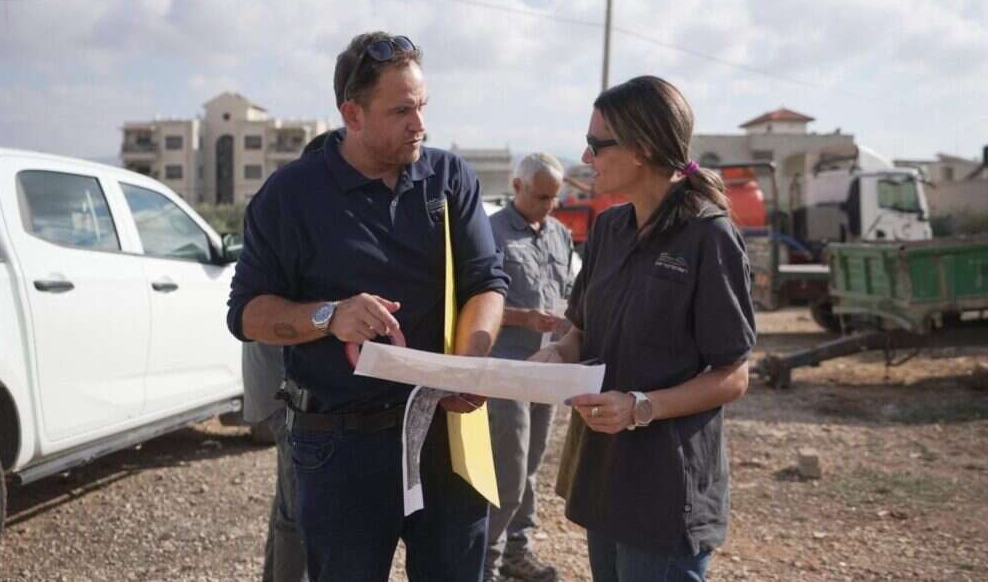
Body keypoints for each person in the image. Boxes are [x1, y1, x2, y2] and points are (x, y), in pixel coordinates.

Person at [227, 31, 508, 582]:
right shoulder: (291, 195)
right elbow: (247, 314)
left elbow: (485, 283)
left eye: (422, 106)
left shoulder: (450, 179)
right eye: (401, 110)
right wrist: (328, 317)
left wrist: (468, 362)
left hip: (446, 436)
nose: (419, 124)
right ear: (352, 114)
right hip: (339, 445)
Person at [531, 76, 755, 582]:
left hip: (666, 494)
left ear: (644, 148)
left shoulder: (708, 236)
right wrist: (554, 359)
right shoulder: (609, 229)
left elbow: (733, 376)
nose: (586, 159)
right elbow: (580, 332)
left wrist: (641, 407)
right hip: (606, 480)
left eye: (596, 145)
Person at [242, 130, 332, 582]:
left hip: (280, 384)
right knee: (298, 510)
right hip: (286, 387)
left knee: (289, 502)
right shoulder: (291, 213)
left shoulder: (289, 205)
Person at [484, 154, 573, 582]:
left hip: (547, 368)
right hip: (507, 368)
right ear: (516, 186)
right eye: (542, 196)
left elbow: (570, 291)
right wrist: (523, 317)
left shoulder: (560, 234)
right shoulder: (490, 234)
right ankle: (484, 561)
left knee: (531, 468)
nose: (550, 206)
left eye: (555, 197)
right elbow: (473, 306)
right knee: (508, 472)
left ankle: (515, 554)